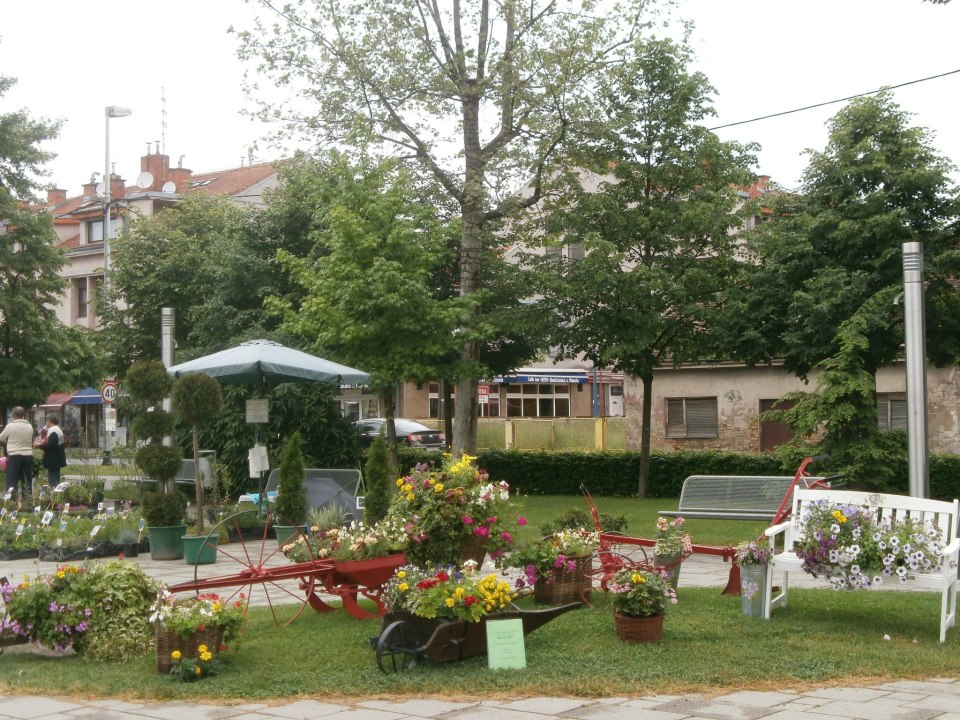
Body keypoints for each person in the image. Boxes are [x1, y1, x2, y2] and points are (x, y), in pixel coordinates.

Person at [0, 406, 35, 500]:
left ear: (14, 415)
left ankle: (12, 502)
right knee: (26, 481)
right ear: (23, 415)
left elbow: (1, 438)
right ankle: (27, 502)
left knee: (12, 481)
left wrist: (9, 440)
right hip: (28, 455)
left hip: (14, 456)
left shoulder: (10, 426)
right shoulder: (29, 426)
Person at [35, 414, 67, 488]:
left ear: (49, 421)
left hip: (54, 459)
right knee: (55, 479)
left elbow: (50, 446)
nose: (46, 422)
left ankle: (54, 493)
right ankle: (56, 492)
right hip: (57, 458)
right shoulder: (57, 429)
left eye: (46, 420)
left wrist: (39, 445)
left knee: (53, 481)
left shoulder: (53, 431)